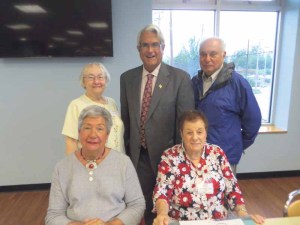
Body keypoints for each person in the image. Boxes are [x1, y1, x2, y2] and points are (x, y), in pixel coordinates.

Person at [120, 24, 194, 225]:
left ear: (163, 47)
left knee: (167, 209)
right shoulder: (127, 78)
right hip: (138, 158)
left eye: (155, 45)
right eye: (145, 45)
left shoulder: (180, 78)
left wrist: (181, 161)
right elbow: (125, 120)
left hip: (168, 158)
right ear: (138, 49)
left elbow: (185, 124)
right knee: (141, 206)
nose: (150, 50)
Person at [152, 110, 265, 225]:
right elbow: (162, 192)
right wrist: (162, 214)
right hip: (182, 222)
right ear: (181, 134)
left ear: (206, 133)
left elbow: (232, 189)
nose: (195, 137)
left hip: (218, 221)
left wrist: (243, 214)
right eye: (189, 133)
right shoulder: (170, 157)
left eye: (199, 132)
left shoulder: (217, 153)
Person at [46, 105, 145, 225]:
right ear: (79, 132)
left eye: (100, 129)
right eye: (87, 128)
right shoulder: (62, 167)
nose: (93, 134)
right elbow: (54, 215)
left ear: (107, 135)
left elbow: (137, 204)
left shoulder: (123, 163)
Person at [191, 37, 261, 174]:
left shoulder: (238, 84)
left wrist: (237, 144)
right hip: (196, 155)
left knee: (224, 195)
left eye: (213, 54)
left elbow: (253, 120)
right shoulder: (194, 82)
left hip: (224, 158)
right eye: (203, 54)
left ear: (223, 54)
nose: (207, 59)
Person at [62, 63, 125, 154]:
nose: (96, 81)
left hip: (117, 162)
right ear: (83, 81)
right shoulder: (76, 105)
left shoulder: (112, 103)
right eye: (91, 77)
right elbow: (71, 142)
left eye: (100, 77)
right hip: (91, 164)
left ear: (106, 80)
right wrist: (73, 167)